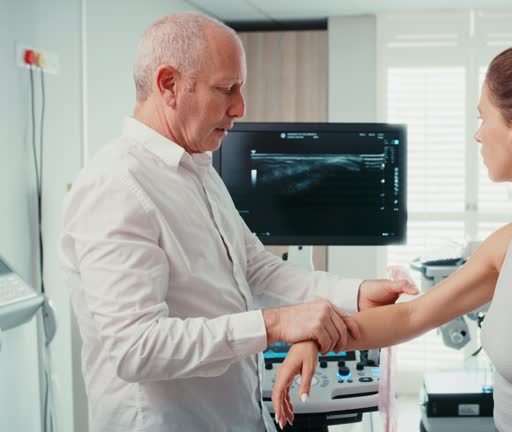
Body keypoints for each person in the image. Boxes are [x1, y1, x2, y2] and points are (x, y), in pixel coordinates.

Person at [59, 12, 417, 432]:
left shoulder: (197, 169)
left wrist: (354, 293)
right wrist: (275, 325)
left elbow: (254, 269)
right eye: (225, 89)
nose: (240, 107)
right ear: (168, 85)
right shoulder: (116, 185)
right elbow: (135, 348)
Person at [272, 40, 512, 432]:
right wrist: (319, 337)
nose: (478, 136)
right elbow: (413, 314)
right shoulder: (511, 241)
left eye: (482, 118)